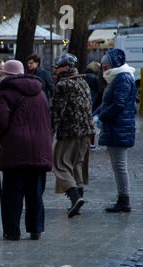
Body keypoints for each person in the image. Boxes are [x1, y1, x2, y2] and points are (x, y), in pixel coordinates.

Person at [0, 60, 52, 241]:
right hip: (40, 148)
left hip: (15, 148)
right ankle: (35, 229)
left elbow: (0, 120)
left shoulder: (6, 92)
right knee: (35, 191)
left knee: (13, 192)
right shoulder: (40, 92)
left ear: (7, 76)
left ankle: (12, 231)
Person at [51, 53, 96, 218]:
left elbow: (56, 111)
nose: (55, 70)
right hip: (86, 130)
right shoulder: (83, 82)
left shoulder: (63, 85)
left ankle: (75, 197)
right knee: (77, 164)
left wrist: (50, 130)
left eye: (58, 67)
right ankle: (78, 199)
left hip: (70, 131)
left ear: (66, 68)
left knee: (61, 165)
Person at [98, 48, 136, 213]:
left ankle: (124, 199)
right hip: (118, 127)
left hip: (119, 127)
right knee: (118, 165)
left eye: (105, 66)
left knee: (120, 165)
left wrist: (102, 116)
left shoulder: (122, 78)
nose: (104, 69)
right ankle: (123, 198)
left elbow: (118, 104)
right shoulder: (119, 78)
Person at [84, 61, 101, 150]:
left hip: (84, 103)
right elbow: (97, 92)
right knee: (92, 125)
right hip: (92, 103)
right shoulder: (94, 78)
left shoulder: (84, 76)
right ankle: (91, 143)